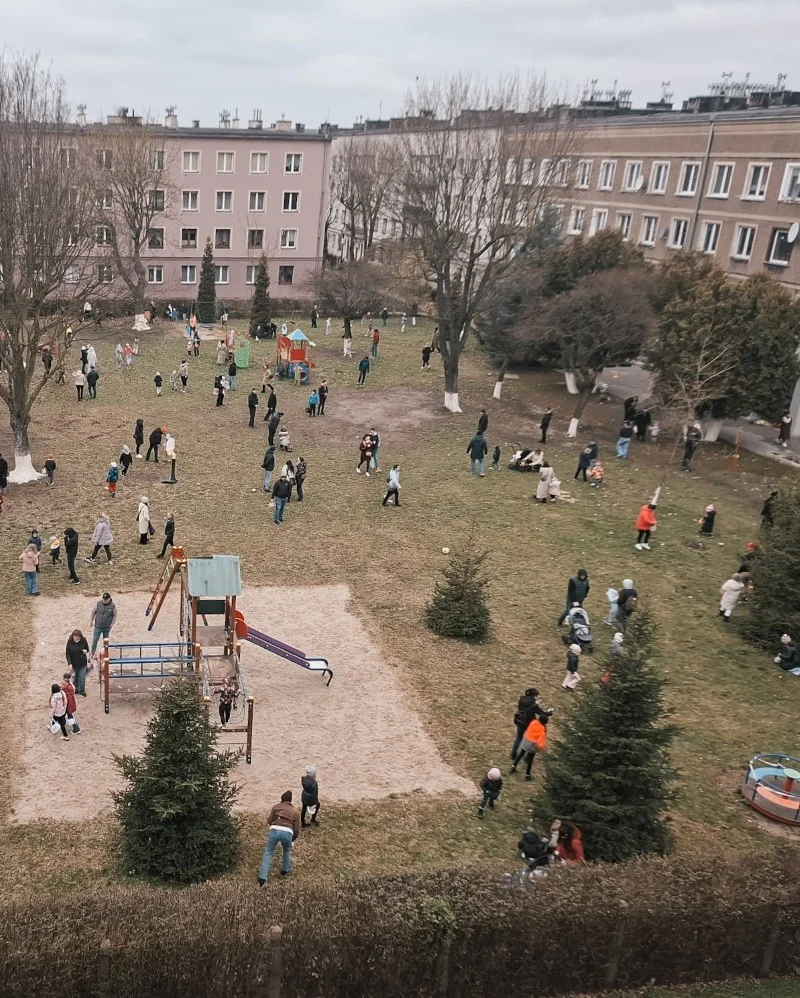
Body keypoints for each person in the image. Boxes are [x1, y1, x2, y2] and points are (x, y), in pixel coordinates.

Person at [258, 790, 301, 884]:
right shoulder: (295, 811)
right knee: (286, 850)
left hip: (274, 829)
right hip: (288, 832)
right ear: (290, 800)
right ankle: (285, 870)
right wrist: (293, 838)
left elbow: (269, 820)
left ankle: (262, 877)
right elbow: (297, 829)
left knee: (268, 852)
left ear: (282, 799)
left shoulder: (276, 807)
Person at [511, 688, 552, 761]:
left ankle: (513, 755)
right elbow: (541, 713)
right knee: (531, 739)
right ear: (534, 696)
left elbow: (528, 706)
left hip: (520, 721)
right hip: (529, 723)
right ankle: (527, 757)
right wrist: (550, 713)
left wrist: (536, 703)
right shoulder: (533, 704)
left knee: (518, 738)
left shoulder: (521, 700)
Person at [510, 713, 549, 780]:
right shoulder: (542, 731)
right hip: (532, 746)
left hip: (525, 741)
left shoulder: (533, 722)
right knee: (530, 760)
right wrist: (540, 748)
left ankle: (513, 766)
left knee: (521, 754)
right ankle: (527, 774)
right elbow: (540, 743)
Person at [65, 629, 90, 697]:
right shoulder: (70, 642)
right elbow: (67, 653)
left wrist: (85, 651)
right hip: (74, 663)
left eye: (77, 637)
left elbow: (87, 649)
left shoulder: (83, 640)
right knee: (75, 677)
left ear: (80, 636)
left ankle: (81, 691)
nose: (76, 638)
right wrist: (69, 663)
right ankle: (75, 689)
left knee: (82, 678)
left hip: (82, 663)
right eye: (75, 637)